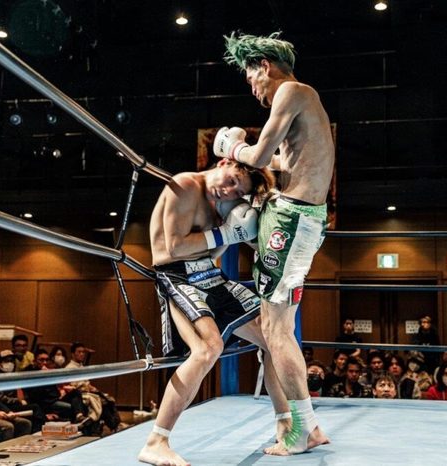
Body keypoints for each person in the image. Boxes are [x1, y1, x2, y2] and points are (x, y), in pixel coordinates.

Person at [216, 31, 334, 455]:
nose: (254, 89)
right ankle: (308, 426)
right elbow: (286, 160)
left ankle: (302, 429)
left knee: (275, 329)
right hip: (302, 218)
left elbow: (263, 156)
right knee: (277, 327)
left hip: (292, 218)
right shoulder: (306, 100)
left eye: (251, 79)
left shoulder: (290, 91)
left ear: (264, 66)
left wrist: (235, 147)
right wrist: (247, 156)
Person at [138, 159, 293, 466]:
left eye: (237, 190)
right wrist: (227, 234)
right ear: (224, 162)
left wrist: (239, 232)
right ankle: (156, 442)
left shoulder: (226, 202)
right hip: (177, 275)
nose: (229, 190)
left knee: (273, 337)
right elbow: (175, 247)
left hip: (209, 273)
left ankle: (285, 424)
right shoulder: (185, 185)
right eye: (232, 180)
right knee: (208, 348)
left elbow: (214, 248)